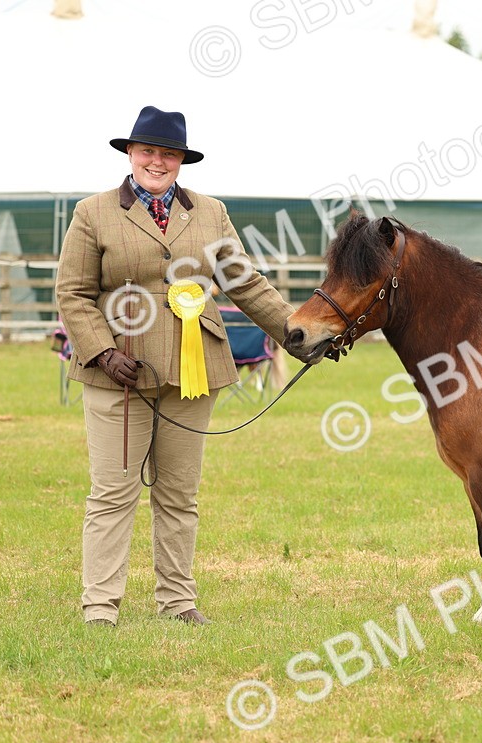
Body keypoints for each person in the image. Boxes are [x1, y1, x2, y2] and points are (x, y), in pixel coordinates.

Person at [56, 106, 295, 627]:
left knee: (180, 494)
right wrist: (101, 351)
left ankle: (178, 602)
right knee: (113, 492)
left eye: (169, 153)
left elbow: (245, 282)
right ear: (130, 154)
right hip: (120, 372)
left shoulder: (211, 213)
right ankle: (100, 607)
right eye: (148, 151)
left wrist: (293, 332)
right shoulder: (92, 213)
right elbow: (72, 293)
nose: (158, 162)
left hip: (194, 372)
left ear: (182, 160)